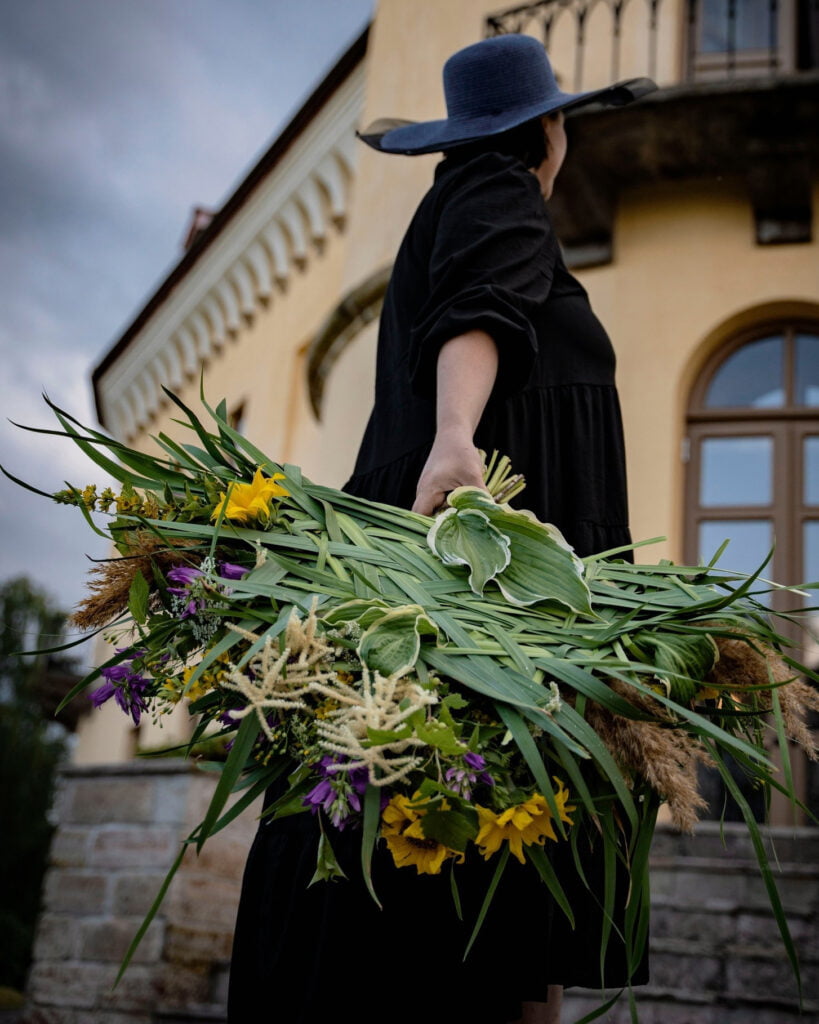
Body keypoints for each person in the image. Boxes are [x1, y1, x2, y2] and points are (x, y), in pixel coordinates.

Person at [228, 34, 655, 1024]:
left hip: (491, 571)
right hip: (482, 564)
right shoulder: (496, 187)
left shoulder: (462, 196)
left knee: (482, 846)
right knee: (455, 830)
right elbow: (480, 310)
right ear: (550, 129)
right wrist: (456, 439)